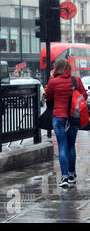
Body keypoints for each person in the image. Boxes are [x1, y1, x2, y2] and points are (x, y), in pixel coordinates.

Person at [44, 58, 87, 188]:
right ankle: (72, 175)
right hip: (73, 118)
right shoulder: (76, 80)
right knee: (71, 146)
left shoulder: (53, 82)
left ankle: (64, 178)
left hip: (58, 118)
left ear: (56, 69)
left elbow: (47, 96)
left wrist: (51, 78)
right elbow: (84, 95)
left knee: (62, 147)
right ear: (68, 67)